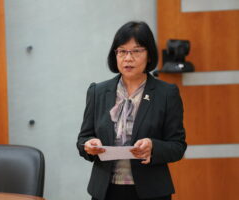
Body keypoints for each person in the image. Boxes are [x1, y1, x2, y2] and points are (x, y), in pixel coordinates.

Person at [76, 21, 187, 200]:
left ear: (149, 55)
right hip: (105, 192)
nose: (128, 58)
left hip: (151, 192)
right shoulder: (97, 91)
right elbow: (83, 139)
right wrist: (89, 145)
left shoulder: (166, 93)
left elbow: (178, 146)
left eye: (136, 51)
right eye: (122, 51)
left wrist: (153, 147)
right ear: (115, 55)